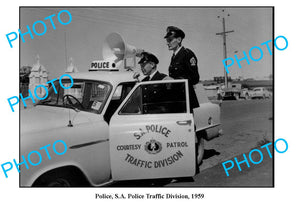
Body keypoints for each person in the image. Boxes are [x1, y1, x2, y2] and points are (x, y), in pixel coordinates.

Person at [164, 26, 200, 111]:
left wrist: (175, 80)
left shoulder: (187, 54)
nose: (167, 43)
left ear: (179, 40)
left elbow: (195, 78)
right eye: (167, 41)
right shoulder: (174, 57)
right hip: (176, 98)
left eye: (170, 40)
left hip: (185, 98)